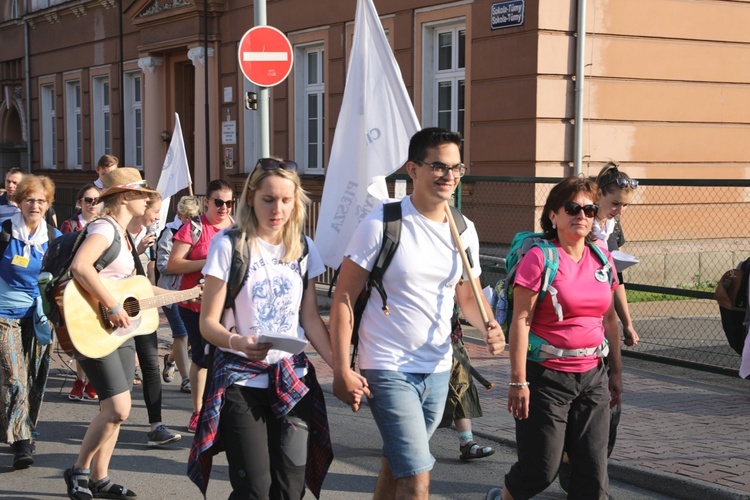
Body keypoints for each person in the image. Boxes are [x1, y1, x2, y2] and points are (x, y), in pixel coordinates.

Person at [329, 128, 505, 499]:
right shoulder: (383, 222)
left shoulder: (463, 228)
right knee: (418, 476)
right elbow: (345, 295)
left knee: (398, 464)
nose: (449, 177)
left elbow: (468, 296)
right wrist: (342, 368)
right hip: (387, 363)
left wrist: (489, 324)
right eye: (439, 166)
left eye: (457, 168)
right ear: (413, 169)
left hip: (438, 368)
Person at [188, 157, 349, 499]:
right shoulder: (229, 245)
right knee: (255, 491)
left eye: (286, 200)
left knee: (291, 490)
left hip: (290, 376)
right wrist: (237, 340)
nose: (278, 209)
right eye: (268, 199)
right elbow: (207, 323)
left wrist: (341, 368)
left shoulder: (304, 247)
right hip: (240, 380)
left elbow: (309, 319)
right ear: (251, 198)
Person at [486, 176, 622, 500]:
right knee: (540, 469)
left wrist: (616, 372)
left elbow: (610, 319)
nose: (582, 216)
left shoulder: (602, 259)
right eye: (573, 208)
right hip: (546, 377)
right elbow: (521, 320)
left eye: (589, 210)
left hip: (593, 376)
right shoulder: (541, 258)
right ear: (553, 215)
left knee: (592, 474)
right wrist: (518, 382)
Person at [63, 167, 174, 500]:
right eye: (141, 193)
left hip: (118, 330)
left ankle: (100, 478)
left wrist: (190, 294)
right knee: (119, 408)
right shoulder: (104, 228)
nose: (147, 198)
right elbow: (80, 266)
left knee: (113, 410)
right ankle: (79, 470)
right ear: (125, 197)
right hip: (95, 325)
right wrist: (111, 305)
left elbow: (134, 288)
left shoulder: (124, 234)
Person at [0, 174, 62, 470]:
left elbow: (65, 280)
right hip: (4, 312)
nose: (34, 205)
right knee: (14, 375)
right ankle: (21, 442)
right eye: (29, 199)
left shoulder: (54, 238)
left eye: (40, 200)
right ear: (18, 202)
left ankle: (26, 429)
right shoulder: (3, 232)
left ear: (48, 204)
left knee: (35, 378)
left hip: (39, 316)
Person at [167, 179, 233, 433]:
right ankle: (198, 412)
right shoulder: (194, 228)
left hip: (227, 307)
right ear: (207, 202)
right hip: (194, 304)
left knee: (226, 360)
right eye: (218, 202)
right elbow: (174, 264)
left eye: (229, 203)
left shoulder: (236, 229)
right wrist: (209, 261)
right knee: (203, 359)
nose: (224, 207)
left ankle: (221, 410)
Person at [125, 191, 182, 447]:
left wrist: (179, 295)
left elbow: (147, 282)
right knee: (124, 374)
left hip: (141, 309)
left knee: (150, 367)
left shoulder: (153, 236)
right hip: (116, 315)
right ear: (141, 207)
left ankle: (156, 425)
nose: (159, 216)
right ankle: (108, 419)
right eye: (156, 211)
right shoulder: (118, 233)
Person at [157, 196, 201, 394]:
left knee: (190, 337)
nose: (191, 220)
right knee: (181, 334)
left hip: (193, 292)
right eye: (188, 216)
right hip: (172, 291)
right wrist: (185, 266)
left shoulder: (199, 232)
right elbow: (162, 265)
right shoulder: (170, 232)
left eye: (195, 216)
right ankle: (186, 379)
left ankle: (171, 359)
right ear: (179, 215)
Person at [61, 183, 101, 402]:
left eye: (96, 200)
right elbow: (66, 257)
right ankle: (80, 380)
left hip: (100, 285)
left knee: (97, 335)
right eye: (88, 200)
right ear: (80, 202)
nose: (92, 204)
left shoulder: (106, 226)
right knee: (80, 336)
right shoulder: (71, 225)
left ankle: (93, 380)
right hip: (75, 285)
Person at [439, 306, 495, 461]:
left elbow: (470, 301)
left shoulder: (459, 282)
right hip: (415, 350)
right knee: (419, 394)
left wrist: (489, 328)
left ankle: (467, 444)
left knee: (461, 390)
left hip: (452, 344)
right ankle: (402, 441)